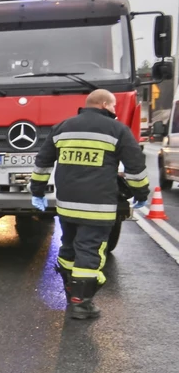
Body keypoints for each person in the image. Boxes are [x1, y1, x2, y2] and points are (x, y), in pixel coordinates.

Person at [29, 88, 149, 320]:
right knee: (90, 251)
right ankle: (81, 304)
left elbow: (42, 163)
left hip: (66, 206)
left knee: (69, 248)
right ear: (104, 104)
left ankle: (70, 292)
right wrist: (140, 193)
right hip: (99, 207)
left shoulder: (62, 127)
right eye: (113, 106)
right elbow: (135, 168)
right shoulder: (117, 130)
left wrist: (37, 191)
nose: (115, 110)